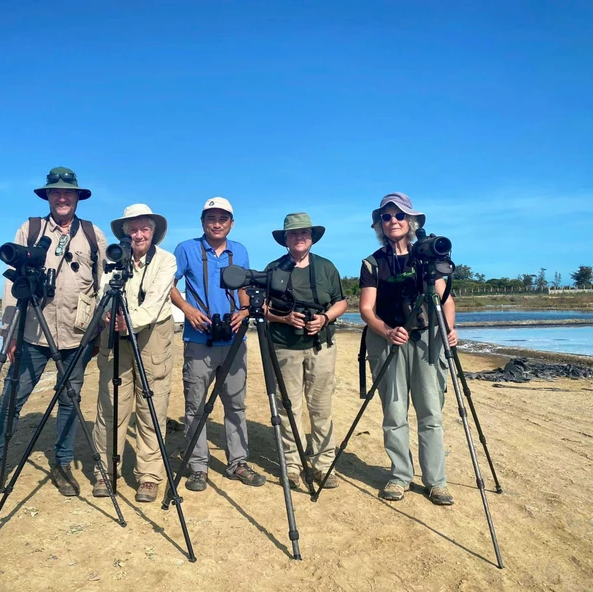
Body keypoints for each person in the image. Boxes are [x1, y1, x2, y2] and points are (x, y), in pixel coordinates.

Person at [0, 166, 107, 502]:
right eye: (55, 192)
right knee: (9, 402)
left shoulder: (93, 234)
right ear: (47, 196)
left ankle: (63, 465)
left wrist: (97, 334)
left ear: (78, 197)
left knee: (69, 402)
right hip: (33, 332)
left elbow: (104, 287)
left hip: (76, 336)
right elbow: (11, 285)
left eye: (68, 192)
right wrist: (10, 333)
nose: (62, 198)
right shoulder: (29, 229)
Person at [359, 192, 457, 506]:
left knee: (430, 412)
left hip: (427, 340)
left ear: (411, 221)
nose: (393, 221)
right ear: (380, 224)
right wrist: (387, 331)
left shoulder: (427, 256)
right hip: (388, 340)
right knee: (395, 412)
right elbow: (366, 309)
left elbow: (445, 300)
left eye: (399, 215)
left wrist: (450, 330)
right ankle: (400, 476)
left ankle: (436, 481)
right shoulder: (372, 263)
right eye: (386, 217)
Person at [170, 197, 266, 492]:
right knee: (195, 406)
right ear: (202, 222)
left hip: (235, 340)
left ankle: (238, 462)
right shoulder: (186, 249)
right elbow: (168, 285)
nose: (217, 223)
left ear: (231, 223)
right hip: (198, 339)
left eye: (223, 218)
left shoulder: (241, 251)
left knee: (235, 405)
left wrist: (245, 311)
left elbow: (246, 289)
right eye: (211, 218)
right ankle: (198, 466)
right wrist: (188, 310)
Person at [91, 204, 177, 503]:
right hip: (114, 333)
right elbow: (103, 290)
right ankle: (105, 470)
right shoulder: (112, 258)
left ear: (153, 233)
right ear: (124, 232)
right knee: (111, 404)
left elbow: (155, 301)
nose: (138, 235)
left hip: (152, 333)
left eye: (145, 229)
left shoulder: (166, 260)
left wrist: (128, 321)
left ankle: (149, 476)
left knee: (151, 405)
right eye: (133, 229)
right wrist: (107, 318)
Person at [265, 213, 348, 490]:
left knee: (321, 407)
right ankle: (292, 465)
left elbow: (341, 302)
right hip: (284, 346)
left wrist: (324, 319)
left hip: (321, 346)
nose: (300, 238)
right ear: (285, 239)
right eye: (293, 234)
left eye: (305, 233)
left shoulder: (326, 268)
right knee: (289, 407)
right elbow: (261, 308)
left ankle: (323, 464)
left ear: (312, 238)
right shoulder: (274, 268)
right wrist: (284, 318)